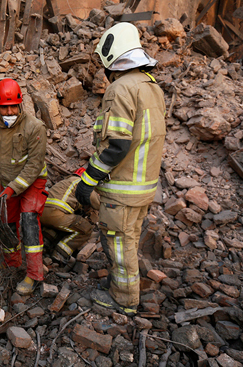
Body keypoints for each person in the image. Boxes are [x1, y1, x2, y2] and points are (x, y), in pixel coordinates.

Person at [74, 23, 166, 314]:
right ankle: (124, 287)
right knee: (129, 240)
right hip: (144, 187)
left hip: (123, 190)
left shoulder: (121, 88)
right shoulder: (152, 87)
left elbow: (117, 146)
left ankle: (124, 300)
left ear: (112, 60)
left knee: (118, 244)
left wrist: (87, 180)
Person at [0, 78, 48, 295]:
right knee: (6, 221)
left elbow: (34, 165)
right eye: (4, 107)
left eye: (13, 106)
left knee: (29, 220)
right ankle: (11, 262)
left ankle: (33, 274)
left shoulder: (35, 127)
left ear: (21, 104)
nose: (9, 111)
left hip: (31, 182)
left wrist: (14, 188)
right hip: (8, 183)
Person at [40, 168, 101, 263]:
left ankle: (44, 244)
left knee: (62, 225)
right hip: (56, 214)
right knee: (85, 229)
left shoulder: (65, 182)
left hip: (42, 214)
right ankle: (60, 255)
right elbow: (98, 203)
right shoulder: (83, 184)